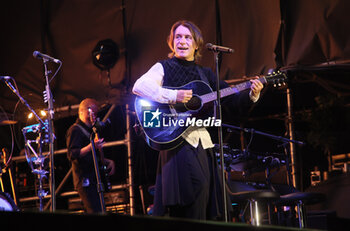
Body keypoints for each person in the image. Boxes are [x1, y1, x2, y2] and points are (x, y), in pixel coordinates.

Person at [132, 20, 264, 220]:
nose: (182, 41)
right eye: (178, 37)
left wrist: (253, 93)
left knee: (206, 198)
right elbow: (140, 86)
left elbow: (232, 98)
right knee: (195, 191)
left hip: (202, 145)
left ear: (196, 44)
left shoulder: (206, 74)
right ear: (171, 42)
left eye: (187, 37)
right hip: (176, 143)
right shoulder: (164, 67)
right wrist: (172, 96)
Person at [66, 98, 115, 213]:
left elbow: (92, 155)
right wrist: (92, 146)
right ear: (84, 111)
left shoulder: (90, 130)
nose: (94, 114)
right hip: (85, 179)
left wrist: (108, 161)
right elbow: (72, 154)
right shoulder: (75, 130)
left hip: (94, 178)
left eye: (95, 112)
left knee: (101, 210)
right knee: (95, 212)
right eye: (92, 111)